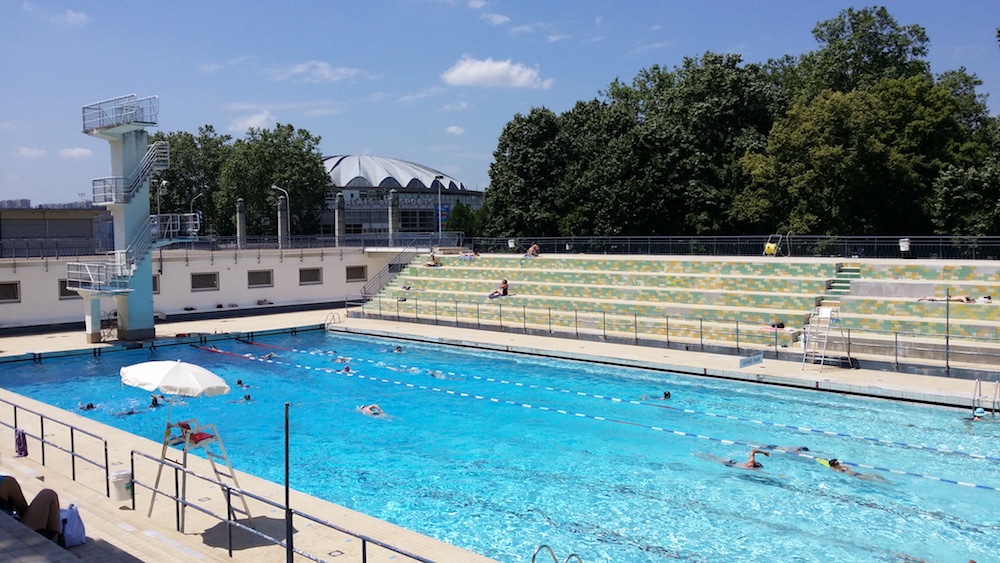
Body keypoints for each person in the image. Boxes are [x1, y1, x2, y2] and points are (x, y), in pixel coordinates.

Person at [0, 476, 62, 542]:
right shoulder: (6, 483)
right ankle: (55, 541)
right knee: (48, 495)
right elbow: (24, 511)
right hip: (14, 538)